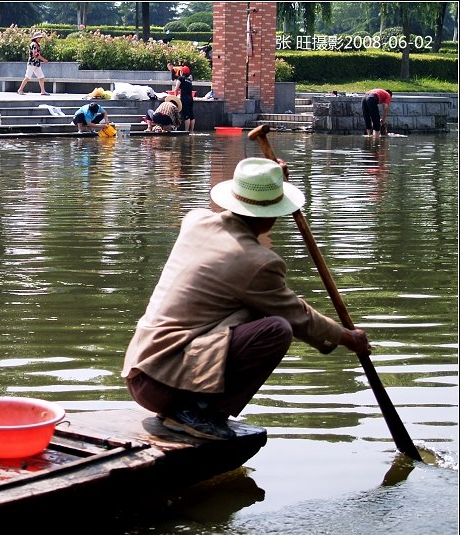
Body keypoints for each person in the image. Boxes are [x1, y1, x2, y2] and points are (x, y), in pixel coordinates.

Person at [121, 157, 371, 440]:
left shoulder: (195, 220)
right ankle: (198, 412)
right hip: (163, 384)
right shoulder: (258, 264)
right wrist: (349, 338)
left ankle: (188, 408)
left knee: (252, 311)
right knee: (276, 329)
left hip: (140, 372)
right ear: (273, 214)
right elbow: (300, 317)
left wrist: (273, 185)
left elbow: (240, 240)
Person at [17, 31, 50, 96]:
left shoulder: (35, 44)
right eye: (39, 38)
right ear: (36, 38)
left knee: (41, 77)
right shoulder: (34, 44)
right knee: (27, 77)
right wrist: (44, 60)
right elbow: (36, 55)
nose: (40, 39)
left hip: (36, 64)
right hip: (32, 63)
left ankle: (43, 91)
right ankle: (20, 89)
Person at [169, 63, 195, 134]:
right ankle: (192, 131)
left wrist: (175, 97)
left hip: (184, 98)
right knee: (191, 115)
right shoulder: (189, 80)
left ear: (182, 72)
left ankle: (186, 131)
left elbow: (176, 89)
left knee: (186, 115)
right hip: (190, 98)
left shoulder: (180, 78)